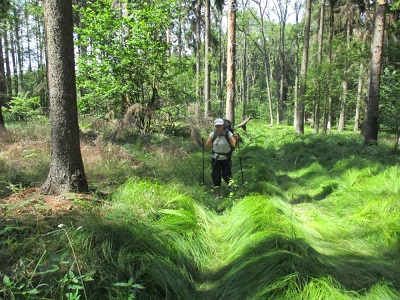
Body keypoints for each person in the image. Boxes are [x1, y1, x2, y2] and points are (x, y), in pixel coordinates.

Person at [204, 118, 237, 199]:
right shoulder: (212, 134)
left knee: (227, 175)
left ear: (223, 126)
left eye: (220, 125)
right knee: (216, 176)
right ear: (215, 126)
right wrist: (203, 143)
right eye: (217, 126)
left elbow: (234, 145)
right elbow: (207, 146)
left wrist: (237, 140)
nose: (218, 127)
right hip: (216, 159)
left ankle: (231, 191)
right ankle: (217, 195)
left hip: (226, 158)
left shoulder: (228, 134)